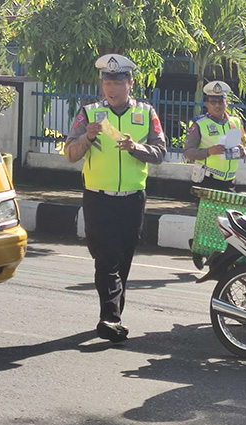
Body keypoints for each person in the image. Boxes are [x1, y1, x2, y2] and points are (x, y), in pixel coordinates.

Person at [64, 54, 167, 342]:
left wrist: (136, 148)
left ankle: (113, 315)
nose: (112, 89)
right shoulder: (88, 113)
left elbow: (161, 153)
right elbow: (70, 154)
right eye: (107, 83)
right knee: (106, 259)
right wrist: (87, 138)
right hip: (98, 199)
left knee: (123, 260)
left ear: (130, 84)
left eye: (118, 83)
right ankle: (109, 318)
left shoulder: (146, 114)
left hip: (132, 199)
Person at [182, 81, 246, 192]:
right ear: (207, 104)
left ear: (227, 103)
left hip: (230, 182)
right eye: (213, 102)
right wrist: (209, 151)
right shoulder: (199, 124)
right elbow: (187, 152)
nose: (217, 105)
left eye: (220, 102)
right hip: (208, 180)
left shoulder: (236, 122)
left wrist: (243, 151)